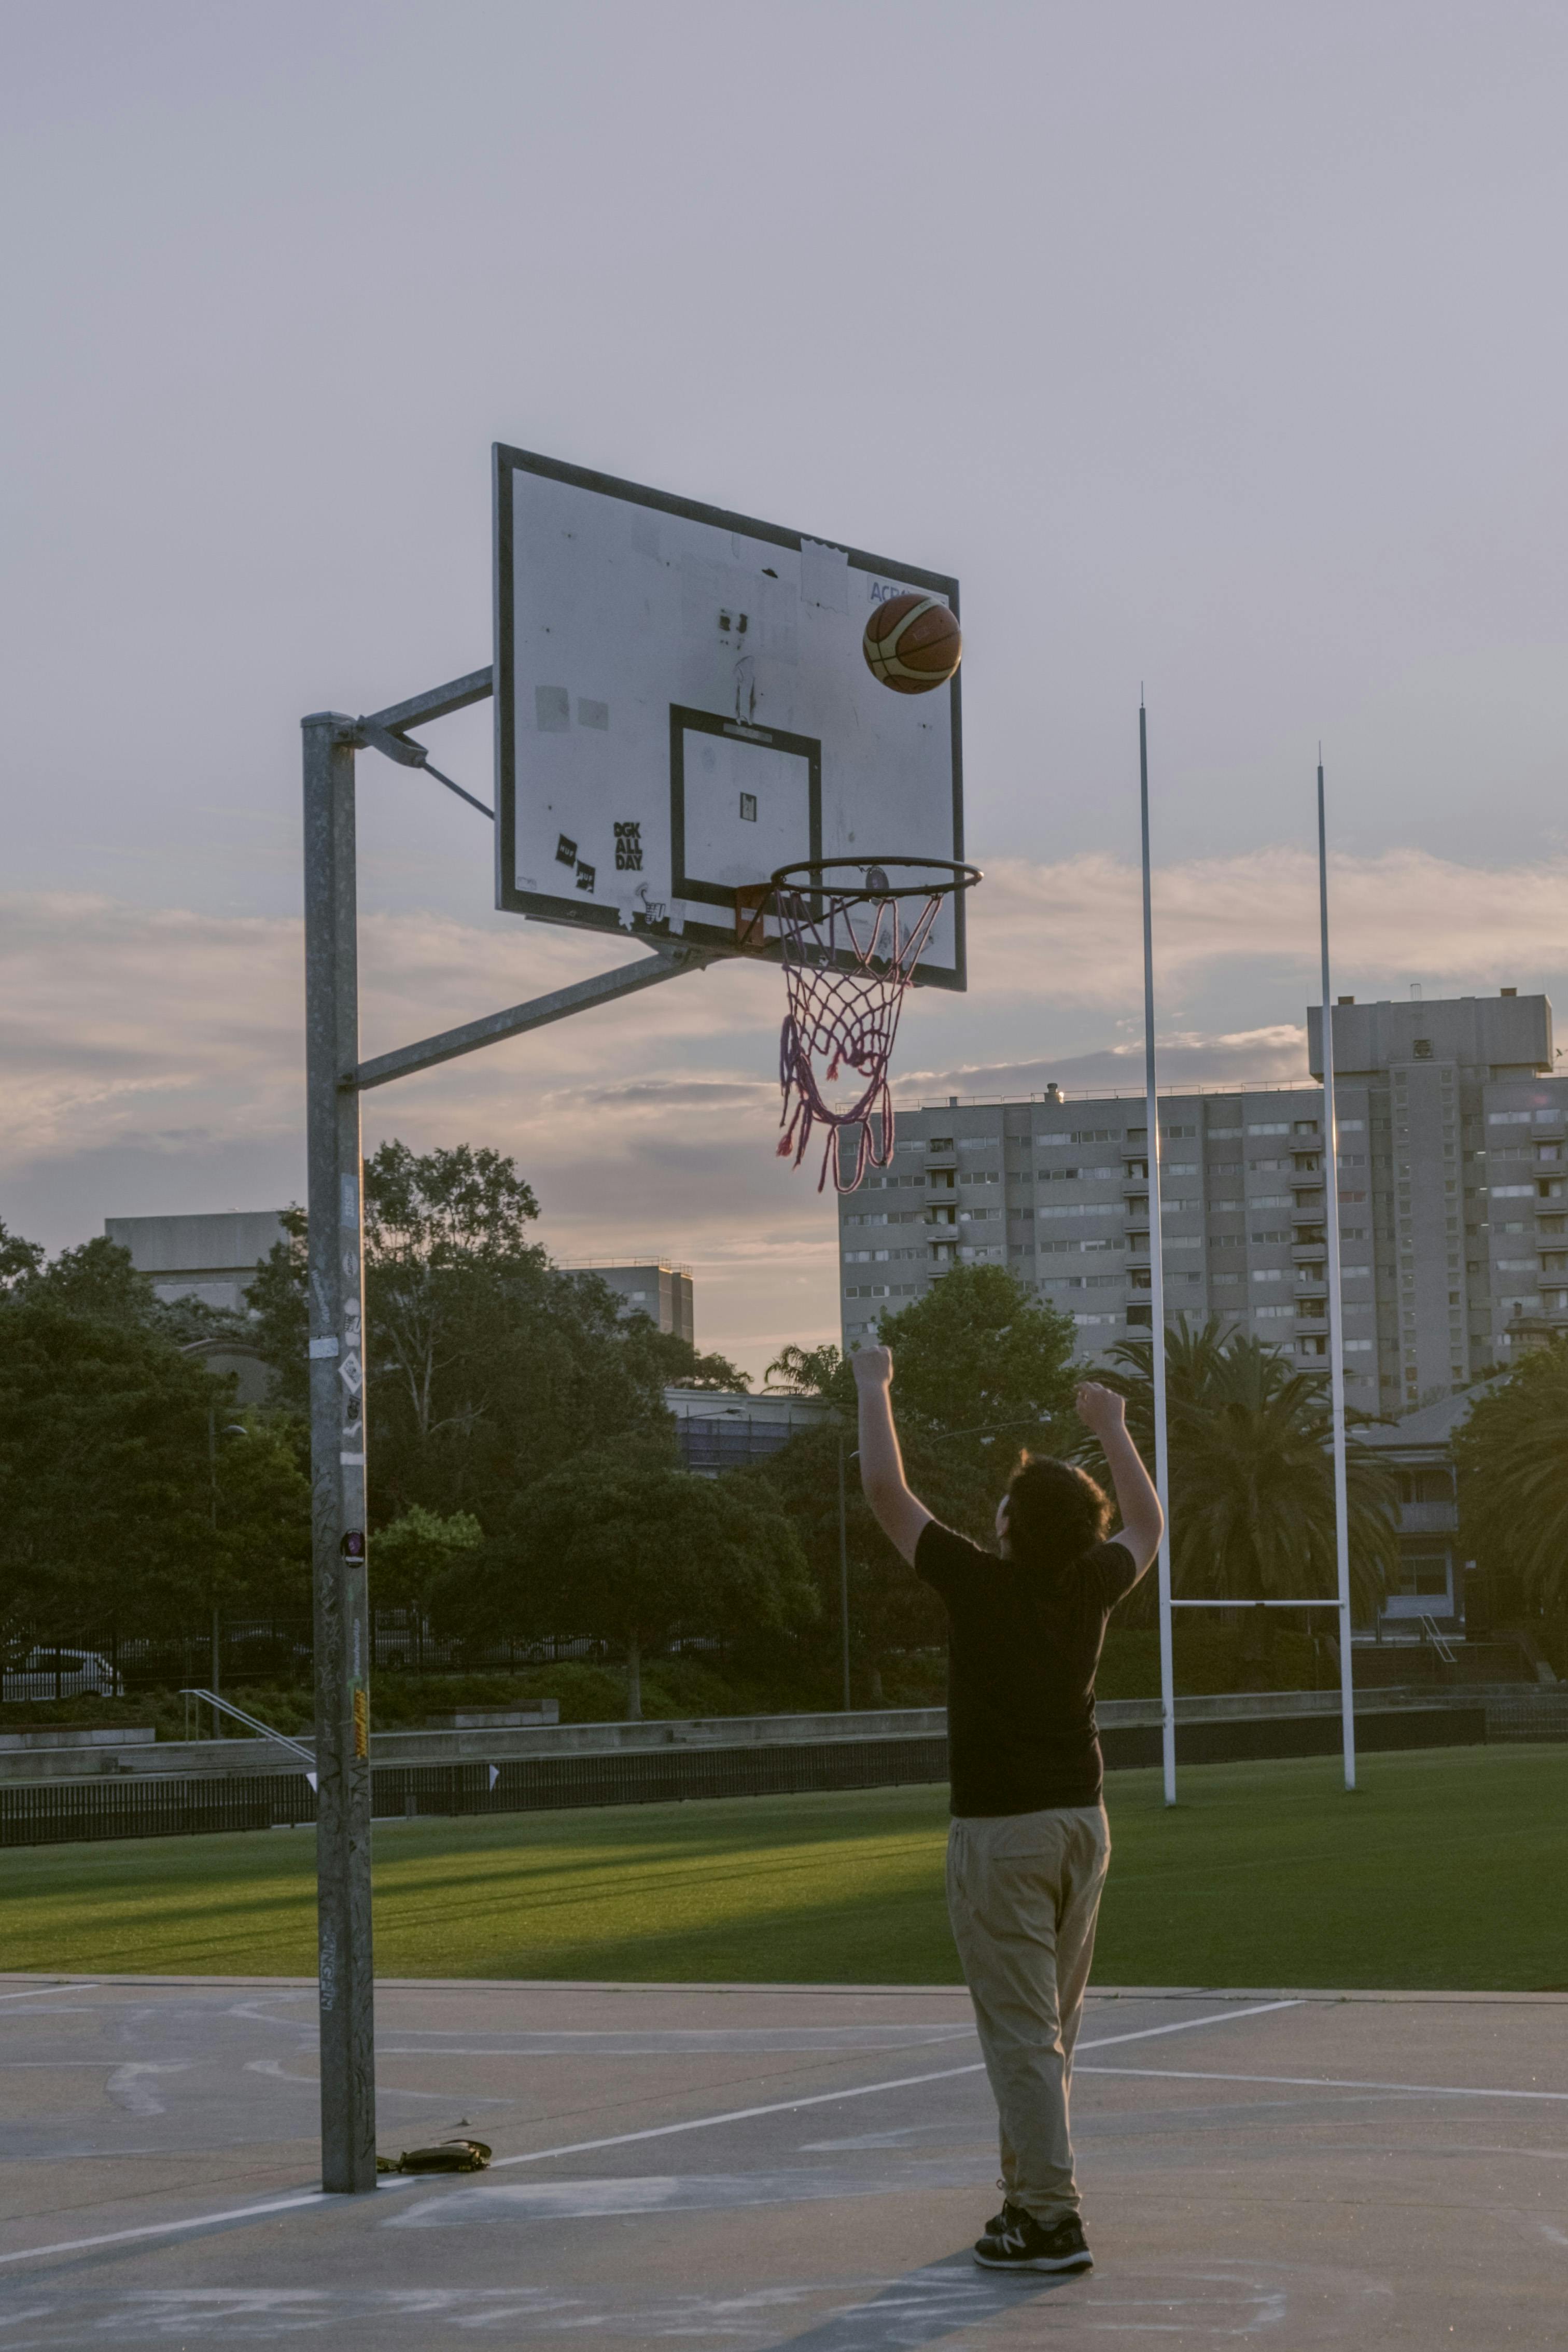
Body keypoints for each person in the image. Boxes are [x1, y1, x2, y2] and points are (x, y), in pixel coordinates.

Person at [851, 1344, 1163, 2275]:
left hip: (1004, 1838)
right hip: (1082, 1828)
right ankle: (1025, 2199)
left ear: (1012, 1527)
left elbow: (883, 1491)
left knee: (1024, 2032)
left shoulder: (980, 1585)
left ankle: (1050, 2218)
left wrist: (875, 1386)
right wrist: (1112, 1428)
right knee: (1049, 2029)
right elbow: (1147, 1523)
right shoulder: (1092, 1586)